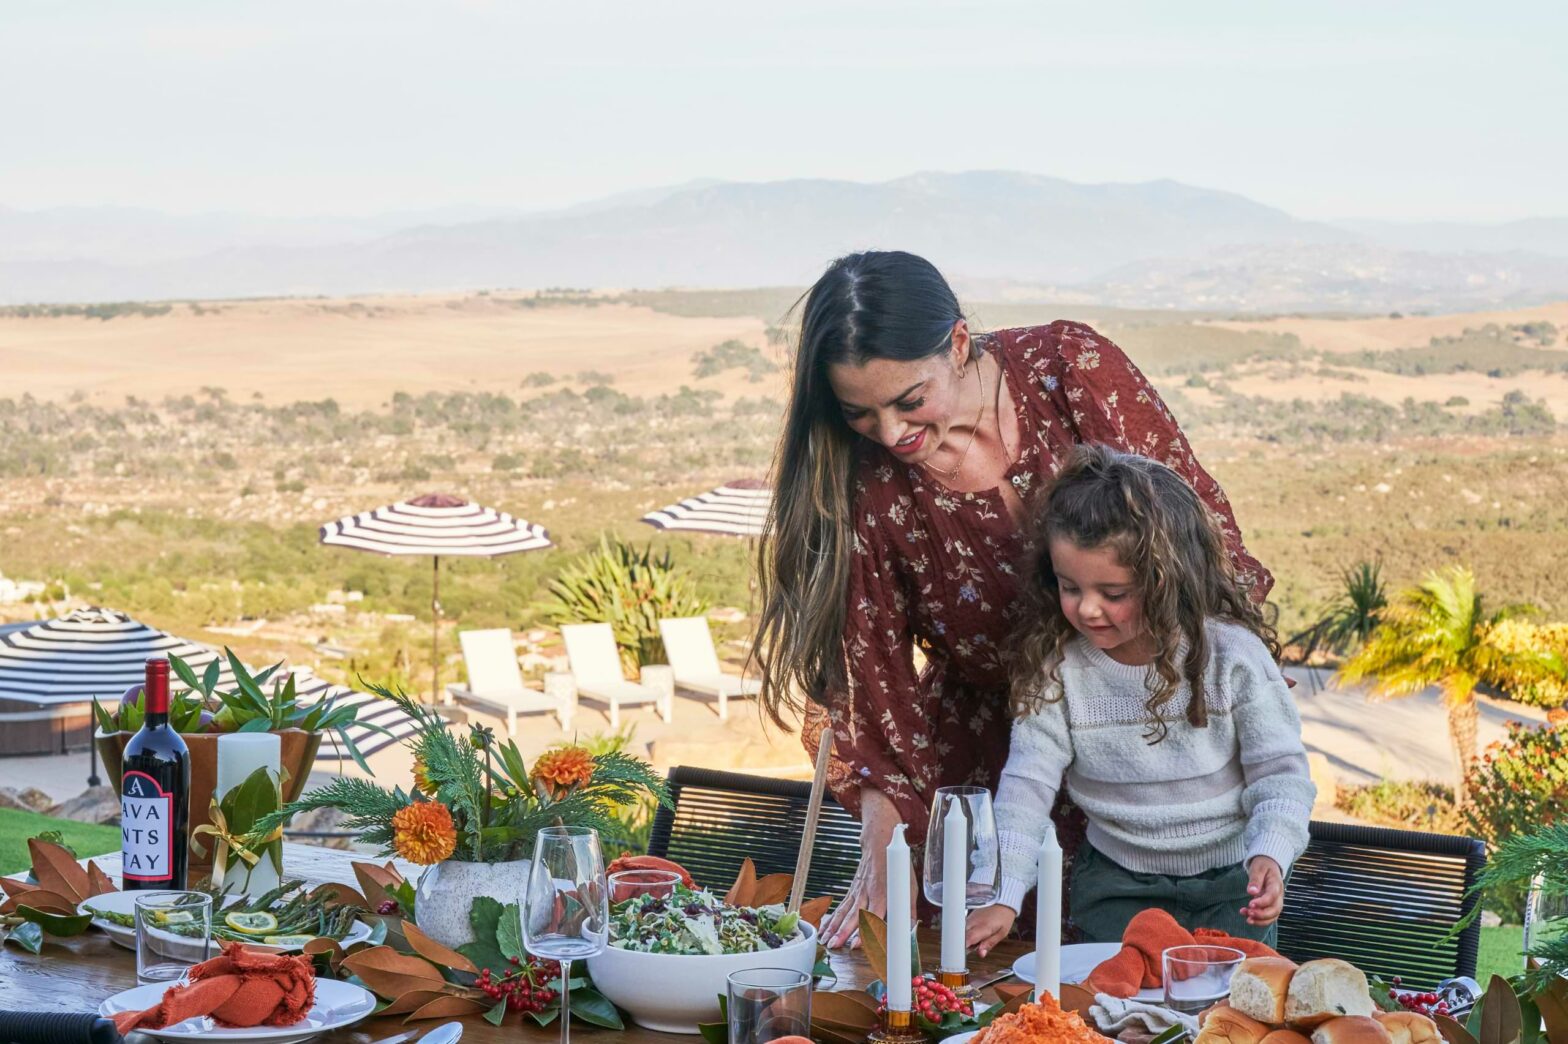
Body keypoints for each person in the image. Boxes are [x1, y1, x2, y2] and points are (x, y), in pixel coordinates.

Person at [750, 250, 1273, 947]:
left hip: (1152, 737)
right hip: (994, 771)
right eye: (859, 414)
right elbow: (867, 676)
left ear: (959, 344)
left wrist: (1225, 689)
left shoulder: (1069, 367)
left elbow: (1198, 541)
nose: (891, 433)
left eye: (910, 400)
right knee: (1006, 989)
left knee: (1160, 983)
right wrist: (886, 829)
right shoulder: (863, 487)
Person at [966, 445, 1315, 955]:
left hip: (1232, 886)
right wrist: (1003, 893)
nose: (1087, 609)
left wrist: (1271, 855)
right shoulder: (1058, 670)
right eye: (1069, 586)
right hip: (1116, 886)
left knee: (1218, 1021)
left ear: (1169, 581)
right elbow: (1025, 788)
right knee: (1114, 1014)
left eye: (1113, 592)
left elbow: (1281, 772)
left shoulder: (1233, 658)